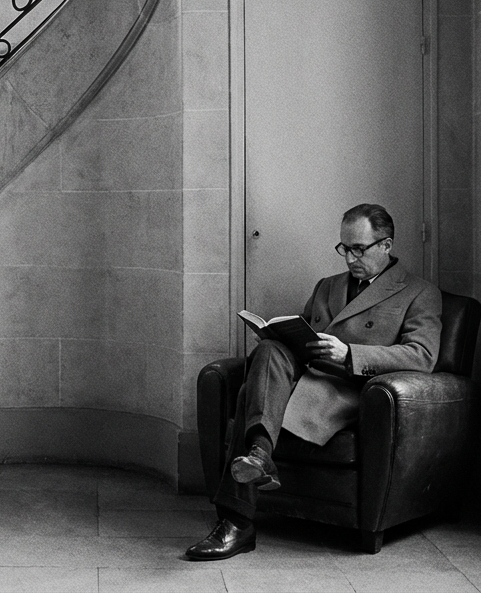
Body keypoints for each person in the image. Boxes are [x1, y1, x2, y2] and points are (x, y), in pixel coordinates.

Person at [185, 203, 442, 561]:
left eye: (359, 249)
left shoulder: (418, 292)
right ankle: (259, 456)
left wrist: (349, 354)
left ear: (386, 245)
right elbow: (304, 332)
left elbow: (422, 356)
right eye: (344, 248)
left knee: (249, 396)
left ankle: (237, 520)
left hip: (348, 390)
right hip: (305, 376)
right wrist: (279, 338)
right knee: (271, 349)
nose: (350, 258)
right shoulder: (327, 286)